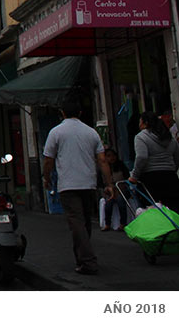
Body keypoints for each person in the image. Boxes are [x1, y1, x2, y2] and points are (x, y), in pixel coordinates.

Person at [42, 99, 112, 275]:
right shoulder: (91, 132)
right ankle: (82, 259)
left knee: (77, 223)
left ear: (62, 113)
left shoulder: (56, 132)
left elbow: (48, 160)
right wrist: (109, 183)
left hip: (68, 184)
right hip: (88, 182)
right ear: (80, 113)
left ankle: (87, 261)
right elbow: (102, 160)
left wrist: (46, 178)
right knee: (84, 222)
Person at [129, 111, 179, 212]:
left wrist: (134, 176)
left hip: (150, 179)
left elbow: (141, 157)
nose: (139, 125)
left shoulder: (141, 137)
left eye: (140, 122)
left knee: (152, 209)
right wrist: (172, 169)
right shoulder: (169, 137)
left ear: (145, 123)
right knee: (173, 209)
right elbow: (177, 157)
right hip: (170, 177)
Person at [101, 148, 129, 231]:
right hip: (110, 192)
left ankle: (123, 223)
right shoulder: (104, 170)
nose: (111, 158)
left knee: (121, 201)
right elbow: (101, 184)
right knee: (108, 204)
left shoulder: (121, 166)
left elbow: (127, 179)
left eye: (113, 156)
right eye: (108, 156)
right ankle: (107, 224)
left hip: (122, 190)